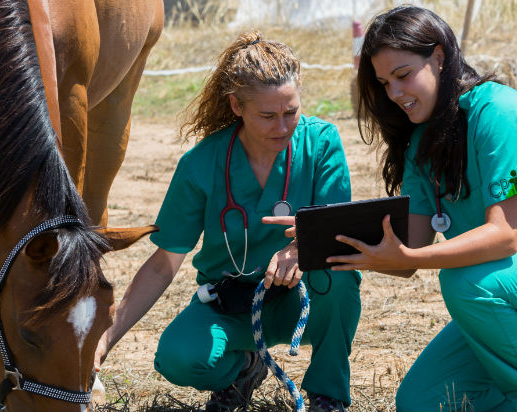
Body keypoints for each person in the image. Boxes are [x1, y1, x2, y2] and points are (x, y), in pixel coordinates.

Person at [268, 5, 517, 412]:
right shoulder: (421, 145)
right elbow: (410, 251)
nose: (394, 93)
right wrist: (323, 242)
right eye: (385, 82)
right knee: (422, 401)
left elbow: (503, 237)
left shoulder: (500, 110)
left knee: (466, 282)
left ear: (439, 58)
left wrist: (413, 256)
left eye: (403, 75)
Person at [94, 31, 361, 412]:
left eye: (291, 112)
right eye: (267, 116)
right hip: (231, 305)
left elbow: (337, 231)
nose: (282, 127)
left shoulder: (321, 144)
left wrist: (299, 249)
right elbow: (162, 265)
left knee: (340, 277)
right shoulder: (201, 164)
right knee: (178, 357)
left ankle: (327, 393)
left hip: (301, 299)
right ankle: (244, 367)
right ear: (236, 105)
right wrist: (106, 338)